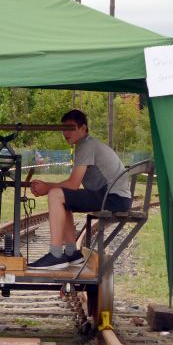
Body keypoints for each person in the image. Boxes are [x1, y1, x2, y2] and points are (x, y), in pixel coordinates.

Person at [27, 109, 131, 270]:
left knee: (56, 195)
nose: (66, 132)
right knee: (64, 200)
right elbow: (72, 187)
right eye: (64, 128)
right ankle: (71, 252)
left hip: (112, 197)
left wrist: (47, 187)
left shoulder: (86, 145)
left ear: (83, 128)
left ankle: (55, 255)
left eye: (71, 128)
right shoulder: (87, 144)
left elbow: (73, 184)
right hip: (113, 197)